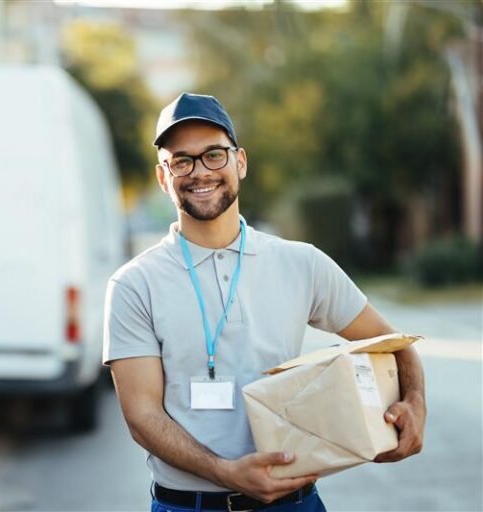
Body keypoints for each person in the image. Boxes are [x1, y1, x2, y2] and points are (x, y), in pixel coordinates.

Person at [102, 93, 426, 512]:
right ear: (164, 178)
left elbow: (394, 342)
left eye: (214, 155)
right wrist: (225, 472)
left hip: (294, 503)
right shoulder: (133, 285)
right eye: (181, 161)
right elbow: (142, 416)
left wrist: (415, 403)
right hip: (189, 505)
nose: (200, 172)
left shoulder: (301, 262)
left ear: (240, 162)